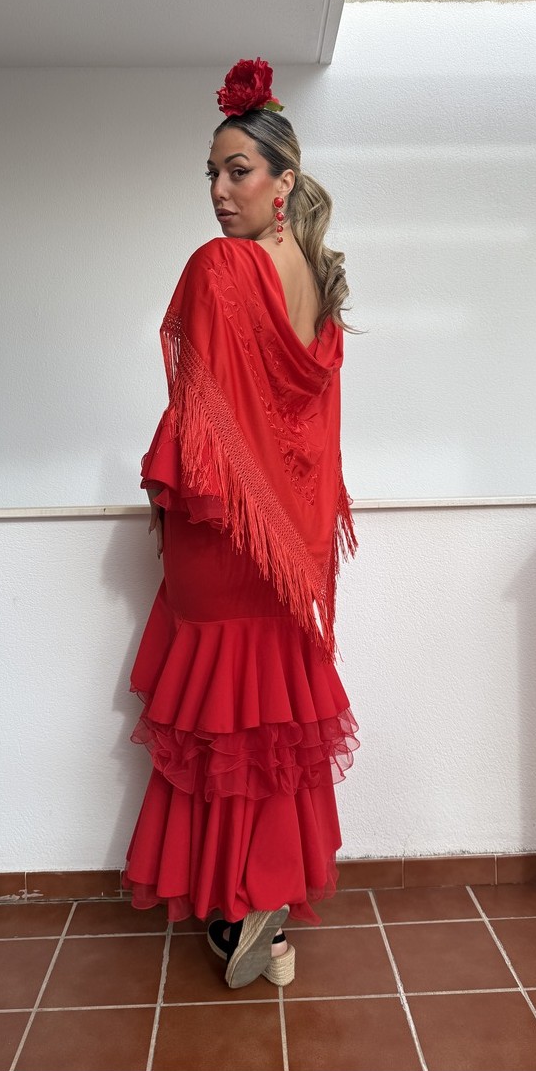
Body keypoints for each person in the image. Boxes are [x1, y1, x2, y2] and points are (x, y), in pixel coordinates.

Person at [121, 58, 358, 990]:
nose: (220, 192)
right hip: (287, 545)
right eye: (213, 174)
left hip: (224, 537)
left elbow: (201, 413)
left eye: (239, 171)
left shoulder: (221, 266)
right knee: (273, 722)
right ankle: (268, 901)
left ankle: (231, 909)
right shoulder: (320, 287)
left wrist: (172, 495)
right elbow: (309, 434)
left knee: (222, 725)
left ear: (282, 181)